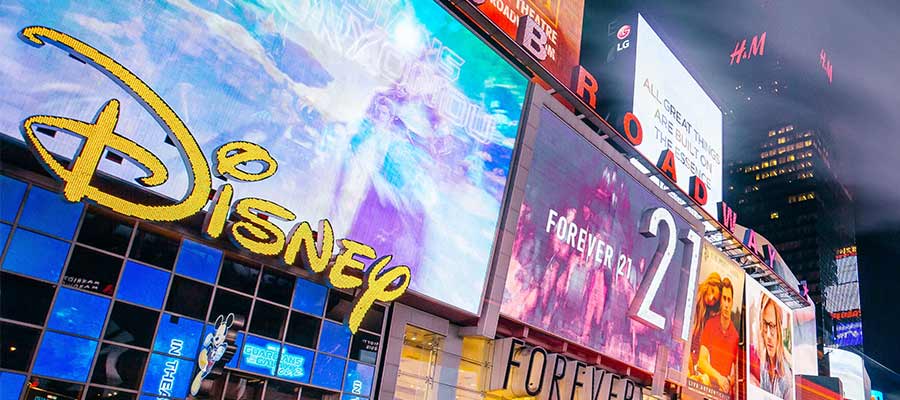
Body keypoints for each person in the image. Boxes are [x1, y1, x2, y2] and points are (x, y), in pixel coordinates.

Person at [697, 278, 740, 395]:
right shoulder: (710, 324)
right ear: (720, 301)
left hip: (723, 393)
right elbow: (702, 361)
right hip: (706, 388)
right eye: (724, 299)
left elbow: (735, 373)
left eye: (729, 300)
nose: (726, 304)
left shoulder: (736, 336)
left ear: (732, 302)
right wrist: (719, 378)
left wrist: (728, 381)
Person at [758, 296, 793, 399]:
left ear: (780, 329)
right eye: (765, 324)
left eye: (772, 326)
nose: (768, 335)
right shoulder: (763, 363)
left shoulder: (787, 378)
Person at [689, 272, 723, 366]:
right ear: (708, 284)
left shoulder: (707, 316)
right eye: (712, 290)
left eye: (715, 299)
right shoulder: (693, 292)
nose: (711, 298)